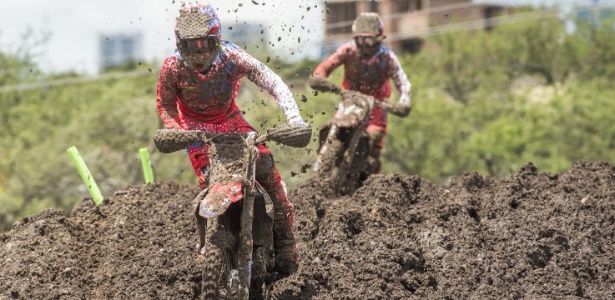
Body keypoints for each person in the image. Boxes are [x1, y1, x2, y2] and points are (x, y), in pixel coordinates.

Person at [156, 2, 309, 277]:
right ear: (181, 44)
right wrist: (175, 129)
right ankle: (207, 244)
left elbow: (271, 80)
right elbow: (165, 105)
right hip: (195, 130)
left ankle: (285, 241)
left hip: (231, 122)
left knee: (266, 168)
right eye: (192, 46)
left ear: (217, 40)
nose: (199, 53)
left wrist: (294, 119)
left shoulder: (232, 57)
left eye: (206, 44)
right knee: (209, 179)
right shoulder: (172, 67)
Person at [310, 12, 412, 175]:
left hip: (377, 106)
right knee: (333, 128)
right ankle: (317, 174)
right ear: (354, 37)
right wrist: (319, 77)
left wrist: (404, 101)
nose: (364, 45)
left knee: (374, 141)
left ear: (379, 39)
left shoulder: (387, 57)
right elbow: (326, 66)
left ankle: (369, 178)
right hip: (350, 100)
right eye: (360, 39)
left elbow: (402, 81)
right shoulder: (348, 50)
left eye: (369, 40)